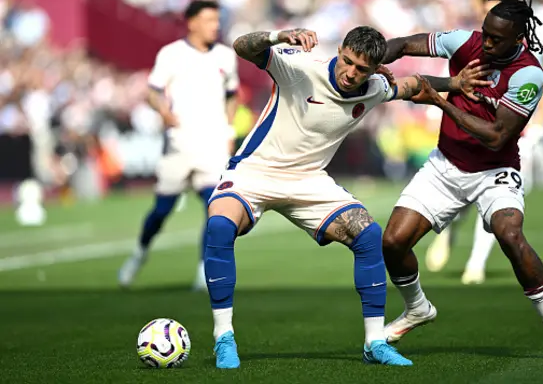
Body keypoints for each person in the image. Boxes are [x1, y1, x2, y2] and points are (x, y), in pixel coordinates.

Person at [202, 25, 486, 368]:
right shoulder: (300, 67)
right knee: (219, 227)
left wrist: (455, 84)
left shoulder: (376, 88)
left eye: (362, 69)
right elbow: (242, 46)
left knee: (369, 236)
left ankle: (374, 342)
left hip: (310, 182)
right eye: (347, 62)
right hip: (255, 172)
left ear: (375, 68)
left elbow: (412, 86)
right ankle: (224, 337)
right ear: (340, 50)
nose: (351, 74)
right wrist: (278, 36)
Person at [380, 0, 543, 360]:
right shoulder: (463, 42)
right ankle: (418, 308)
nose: (485, 42)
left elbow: (497, 136)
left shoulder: (529, 74)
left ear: (517, 40)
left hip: (493, 172)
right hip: (445, 164)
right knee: (392, 241)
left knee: (510, 236)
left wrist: (440, 99)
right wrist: (369, 59)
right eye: (484, 32)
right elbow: (401, 45)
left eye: (495, 38)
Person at [118, 0, 239, 290]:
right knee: (162, 209)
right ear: (192, 22)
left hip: (212, 145)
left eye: (217, 19)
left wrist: (229, 128)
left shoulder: (225, 55)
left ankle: (203, 269)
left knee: (215, 208)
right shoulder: (171, 54)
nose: (215, 25)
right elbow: (153, 90)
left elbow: (232, 94)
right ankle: (140, 252)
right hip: (180, 143)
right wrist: (163, 111)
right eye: (209, 19)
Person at [425, 0, 514, 285]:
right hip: (468, 137)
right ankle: (449, 230)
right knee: (461, 201)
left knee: (494, 208)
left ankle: (476, 264)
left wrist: (536, 123)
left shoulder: (522, 53)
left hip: (506, 141)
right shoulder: (469, 47)